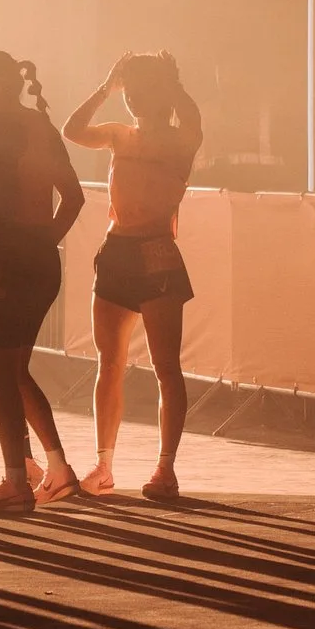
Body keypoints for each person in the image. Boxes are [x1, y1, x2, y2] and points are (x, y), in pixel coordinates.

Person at [64, 49, 203, 501]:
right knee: (110, 363)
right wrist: (107, 86)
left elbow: (192, 119)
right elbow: (72, 130)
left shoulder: (181, 139)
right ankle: (104, 463)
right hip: (119, 249)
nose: (135, 98)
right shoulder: (120, 135)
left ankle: (166, 468)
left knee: (166, 366)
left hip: (156, 250)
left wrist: (171, 81)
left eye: (145, 88)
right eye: (133, 89)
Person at [0, 50, 85, 511]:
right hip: (40, 261)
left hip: (7, 261)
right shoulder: (42, 126)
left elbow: (4, 200)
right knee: (15, 372)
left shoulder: (1, 127)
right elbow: (72, 199)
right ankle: (57, 470)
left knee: (0, 374)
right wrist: (40, 244)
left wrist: (0, 259)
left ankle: (17, 481)